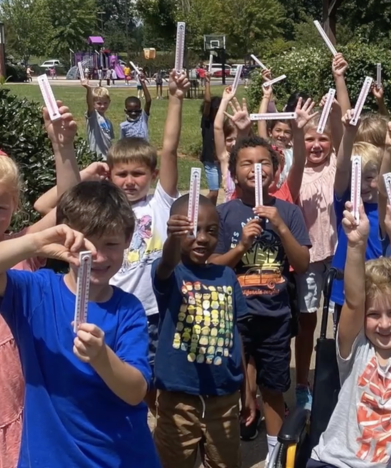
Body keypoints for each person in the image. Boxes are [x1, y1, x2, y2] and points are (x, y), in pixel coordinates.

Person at [0, 180, 160, 468]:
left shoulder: (128, 310)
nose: (97, 255)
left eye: (111, 244)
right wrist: (37, 241)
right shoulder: (33, 291)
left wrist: (101, 357)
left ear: (127, 243)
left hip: (121, 456)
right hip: (51, 457)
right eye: (87, 242)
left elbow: (135, 392)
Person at [0, 105, 82, 468]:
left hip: (17, 397)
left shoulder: (23, 247)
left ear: (15, 206)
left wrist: (63, 148)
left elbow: (70, 209)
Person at [309, 195, 391, 468]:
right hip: (338, 461)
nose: (385, 324)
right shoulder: (357, 350)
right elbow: (354, 301)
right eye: (374, 315)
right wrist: (355, 245)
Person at [210, 134, 311, 464]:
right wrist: (240, 248)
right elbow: (211, 264)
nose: (256, 169)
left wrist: (280, 226)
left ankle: (275, 455)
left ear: (276, 169)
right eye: (247, 163)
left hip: (275, 316)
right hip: (234, 316)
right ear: (234, 173)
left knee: (273, 386)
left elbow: (303, 262)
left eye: (264, 162)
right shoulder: (223, 214)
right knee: (233, 385)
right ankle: (227, 449)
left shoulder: (289, 212)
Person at [151, 194, 255, 468]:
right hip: (179, 400)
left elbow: (236, 335)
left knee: (225, 462)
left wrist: (247, 389)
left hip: (224, 397)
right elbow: (166, 264)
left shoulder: (227, 276)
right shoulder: (172, 274)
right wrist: (173, 239)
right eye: (192, 230)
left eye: (211, 231)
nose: (202, 238)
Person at [109, 70, 190, 412]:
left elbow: (168, 148)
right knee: (119, 381)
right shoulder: (104, 207)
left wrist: (174, 98)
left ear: (153, 175)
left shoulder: (160, 202)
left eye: (138, 173)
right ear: (108, 174)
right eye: (121, 174)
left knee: (154, 381)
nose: (129, 181)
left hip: (155, 312)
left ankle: (151, 434)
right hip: (114, 307)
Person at [293, 91, 345, 411]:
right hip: (309, 257)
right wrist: (298, 133)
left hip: (338, 254)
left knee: (342, 317)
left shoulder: (338, 165)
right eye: (310, 139)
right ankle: (302, 382)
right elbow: (298, 155)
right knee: (307, 320)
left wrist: (337, 110)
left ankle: (342, 375)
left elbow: (343, 133)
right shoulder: (296, 170)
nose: (316, 145)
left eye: (322, 139)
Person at [328, 110, 389, 319]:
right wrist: (349, 133)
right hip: (345, 288)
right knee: (346, 346)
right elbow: (343, 168)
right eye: (357, 177)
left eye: (370, 177)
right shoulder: (346, 203)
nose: (363, 185)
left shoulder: (387, 206)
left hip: (381, 288)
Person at [201, 76, 223, 204]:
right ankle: (195, 207)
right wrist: (207, 83)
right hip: (210, 161)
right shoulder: (207, 122)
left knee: (216, 192)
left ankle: (211, 213)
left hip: (220, 161)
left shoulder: (222, 125)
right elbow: (208, 101)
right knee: (213, 191)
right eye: (218, 109)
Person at [82, 78, 114, 161]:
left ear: (109, 102)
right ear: (93, 103)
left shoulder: (108, 122)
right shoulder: (94, 116)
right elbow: (89, 105)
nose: (102, 106)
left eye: (105, 103)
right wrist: (89, 89)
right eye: (99, 103)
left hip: (107, 159)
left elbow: (110, 142)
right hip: (96, 159)